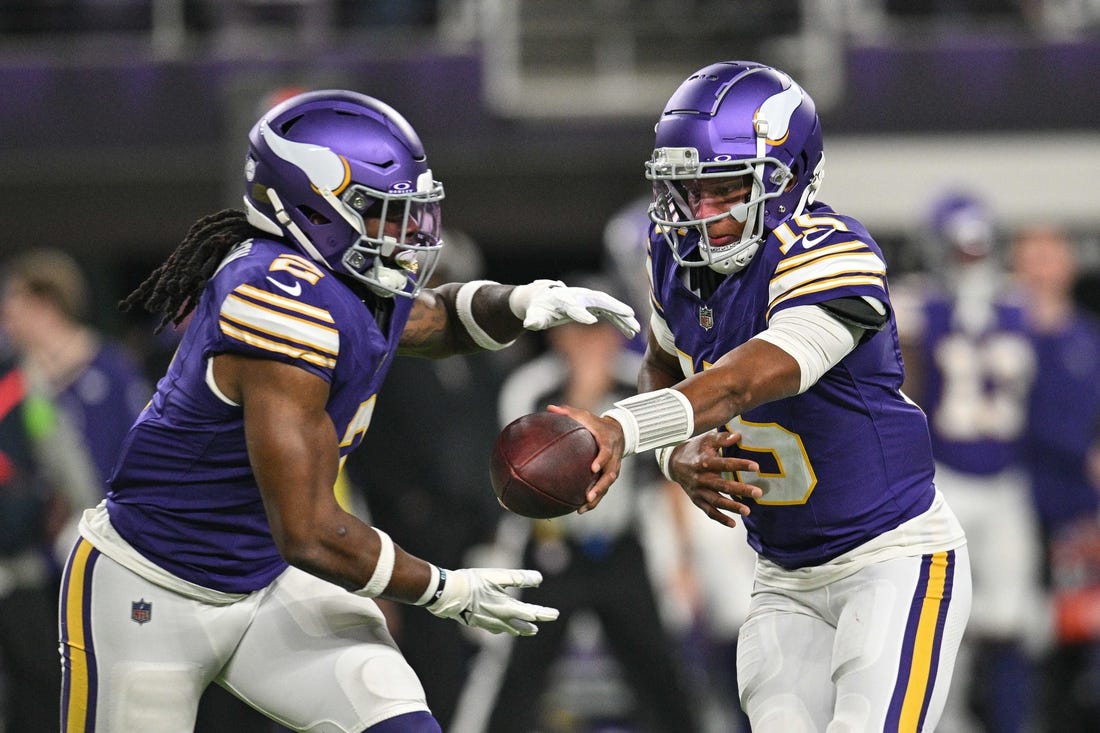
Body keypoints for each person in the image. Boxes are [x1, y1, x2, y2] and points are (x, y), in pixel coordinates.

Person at [57, 89, 640, 732]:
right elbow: (308, 529)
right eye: (383, 213)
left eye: (410, 213)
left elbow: (434, 319)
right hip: (153, 589)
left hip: (266, 581)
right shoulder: (276, 298)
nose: (408, 234)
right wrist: (441, 589)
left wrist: (525, 301)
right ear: (311, 207)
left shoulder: (343, 281)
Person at [548, 60, 972, 732]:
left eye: (724, 189)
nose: (704, 214)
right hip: (782, 576)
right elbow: (660, 366)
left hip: (892, 558)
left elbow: (745, 378)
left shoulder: (832, 253)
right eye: (689, 192)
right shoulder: (673, 255)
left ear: (789, 178)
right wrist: (674, 453)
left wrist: (622, 430)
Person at [477, 274, 701, 733]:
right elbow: (525, 474)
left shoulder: (640, 383)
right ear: (559, 333)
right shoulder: (531, 387)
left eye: (601, 330)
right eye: (582, 329)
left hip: (621, 545)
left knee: (658, 669)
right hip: (552, 548)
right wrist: (583, 392)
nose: (592, 341)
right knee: (521, 671)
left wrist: (682, 559)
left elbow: (666, 475)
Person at [894, 191, 1044, 733]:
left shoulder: (1019, 305)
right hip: (944, 478)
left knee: (1009, 618)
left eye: (979, 251)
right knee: (939, 618)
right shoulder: (914, 306)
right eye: (963, 252)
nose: (973, 263)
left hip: (1006, 481)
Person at [1010, 224, 1100, 732]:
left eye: (1052, 256)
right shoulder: (1001, 333)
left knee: (1079, 633)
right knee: (1018, 627)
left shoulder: (1087, 336)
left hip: (1077, 510)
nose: (1043, 269)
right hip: (1016, 501)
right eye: (1033, 257)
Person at [0, 348, 100, 732]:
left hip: (20, 561)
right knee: (41, 682)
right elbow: (59, 450)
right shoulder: (18, 378)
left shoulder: (18, 379)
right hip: (20, 564)